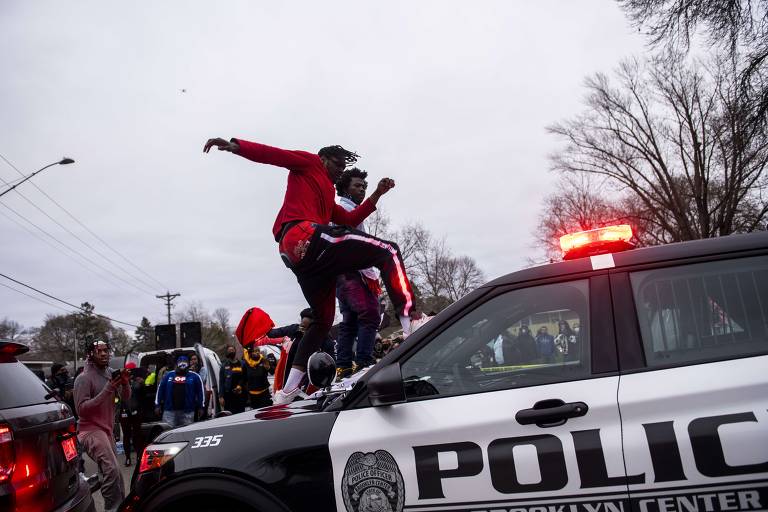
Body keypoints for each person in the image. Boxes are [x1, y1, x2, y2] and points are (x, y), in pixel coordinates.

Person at [204, 137, 417, 404]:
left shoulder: (327, 193)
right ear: (324, 158)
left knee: (323, 320)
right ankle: (412, 322)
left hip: (300, 259)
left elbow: (349, 219)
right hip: (301, 235)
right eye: (337, 165)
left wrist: (376, 195)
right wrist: (237, 146)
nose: (339, 171)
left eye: (342, 168)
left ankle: (287, 391)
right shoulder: (309, 162)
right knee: (388, 251)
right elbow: (274, 154)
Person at [334, 168, 383, 380]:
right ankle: (363, 361)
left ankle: (343, 365)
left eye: (364, 187)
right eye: (357, 186)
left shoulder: (346, 209)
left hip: (341, 273)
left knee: (350, 320)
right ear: (345, 188)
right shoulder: (344, 209)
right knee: (370, 313)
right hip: (351, 272)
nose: (362, 189)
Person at [73, 340, 130, 512]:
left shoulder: (110, 373)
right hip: (90, 431)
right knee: (111, 470)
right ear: (91, 354)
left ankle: (79, 491)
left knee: (116, 475)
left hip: (106, 431)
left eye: (106, 350)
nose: (104, 354)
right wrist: (108, 388)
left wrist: (125, 383)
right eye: (99, 351)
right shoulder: (83, 379)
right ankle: (112, 509)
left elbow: (126, 398)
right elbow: (81, 410)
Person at [154, 355, 204, 428]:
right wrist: (157, 405)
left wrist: (201, 407)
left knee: (186, 433)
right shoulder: (168, 375)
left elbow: (200, 392)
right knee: (168, 433)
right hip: (169, 411)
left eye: (184, 362)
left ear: (188, 363)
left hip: (188, 412)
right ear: (177, 363)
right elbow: (160, 390)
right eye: (180, 362)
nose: (182, 364)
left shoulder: (195, 376)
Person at [118, 362, 145, 467]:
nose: (130, 372)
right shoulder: (121, 381)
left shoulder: (138, 381)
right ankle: (128, 458)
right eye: (128, 370)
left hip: (136, 411)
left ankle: (138, 456)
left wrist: (142, 384)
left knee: (137, 435)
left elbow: (143, 397)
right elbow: (117, 397)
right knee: (126, 435)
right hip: (124, 411)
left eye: (132, 370)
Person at [219, 345, 247, 413]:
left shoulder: (242, 364)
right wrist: (221, 396)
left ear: (235, 351)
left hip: (240, 395)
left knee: (241, 414)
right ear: (227, 352)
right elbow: (221, 382)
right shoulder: (224, 366)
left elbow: (245, 378)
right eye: (229, 350)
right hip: (228, 395)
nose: (231, 351)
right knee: (229, 415)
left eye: (232, 350)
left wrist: (240, 386)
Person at [243, 345, 272, 409]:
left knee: (267, 411)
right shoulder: (246, 364)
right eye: (254, 351)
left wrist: (268, 368)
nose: (257, 352)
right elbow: (244, 379)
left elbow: (272, 371)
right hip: (252, 395)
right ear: (250, 353)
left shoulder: (264, 360)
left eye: (258, 351)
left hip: (264, 393)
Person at [189, 353, 212, 419]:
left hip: (200, 395)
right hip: (191, 396)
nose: (193, 361)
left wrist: (193, 372)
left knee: (202, 415)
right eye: (192, 359)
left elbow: (201, 381)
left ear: (198, 360)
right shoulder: (188, 370)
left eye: (195, 359)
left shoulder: (203, 369)